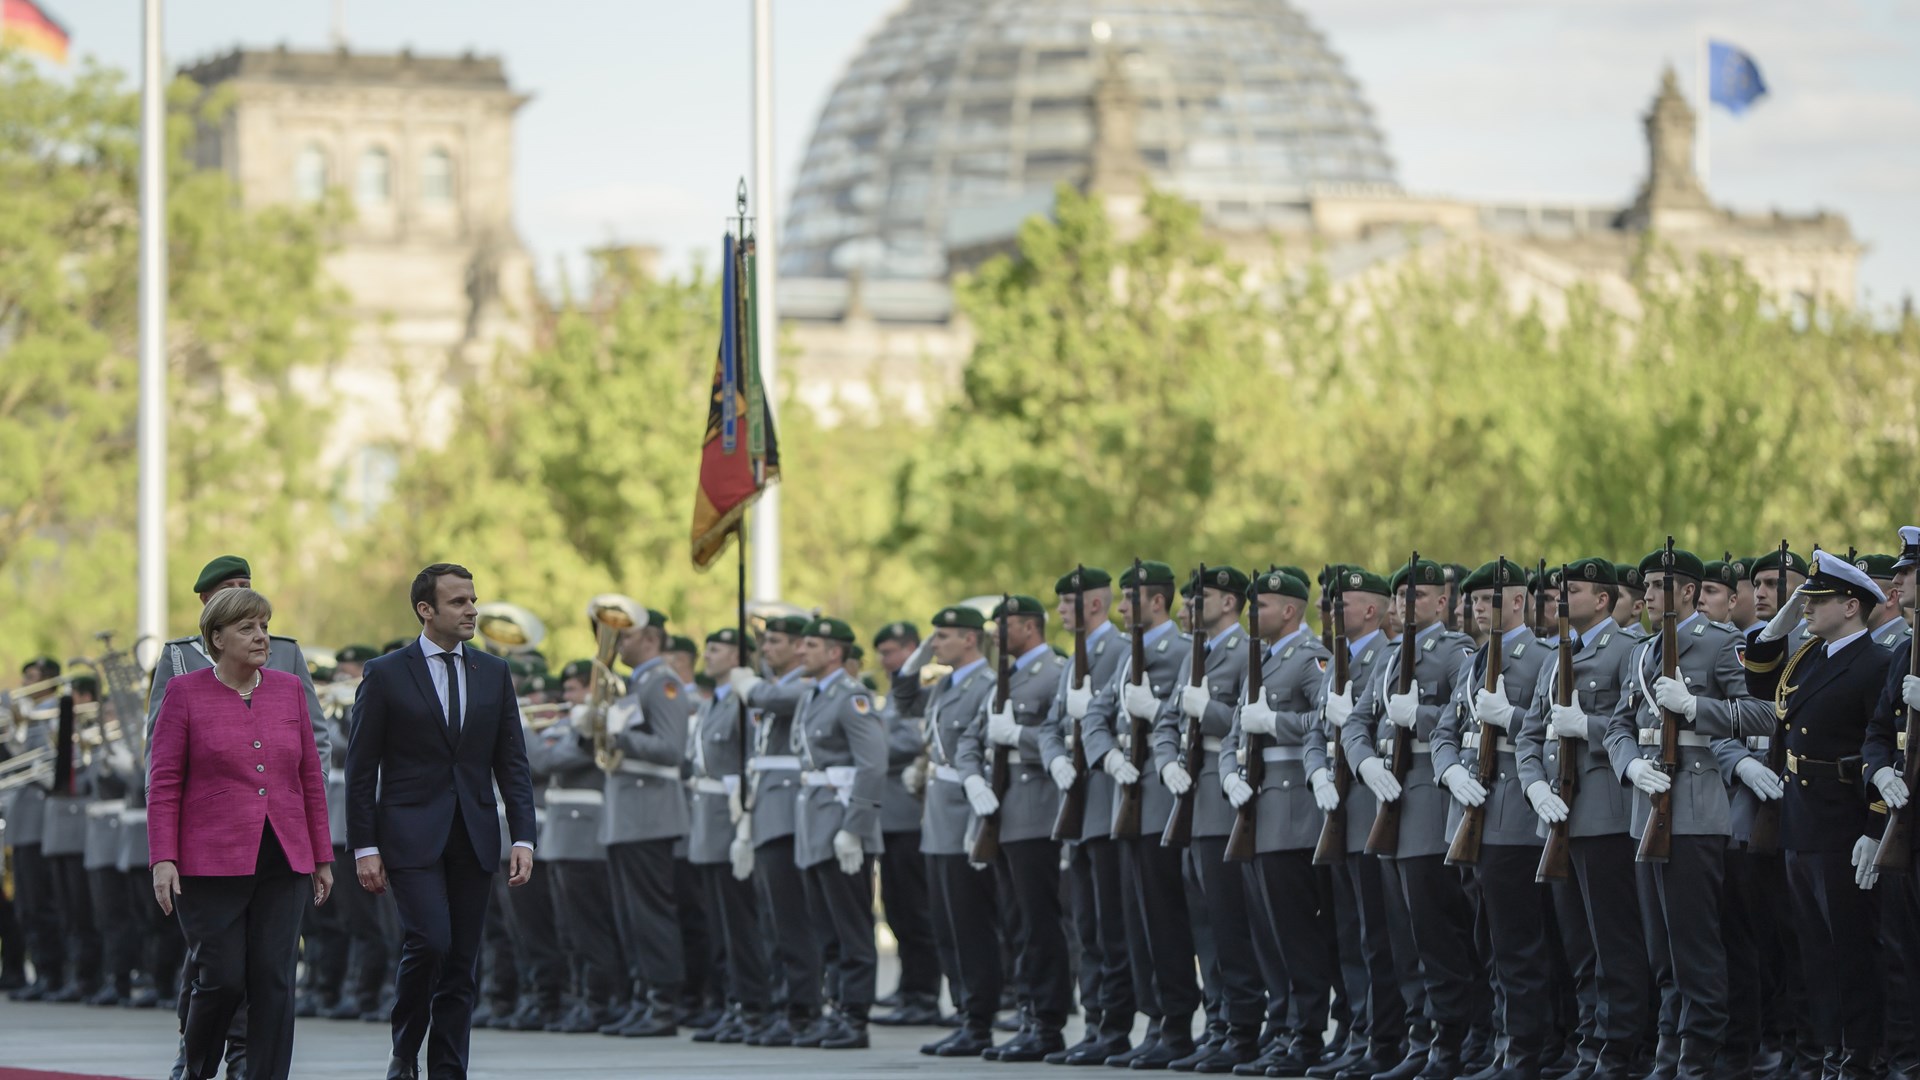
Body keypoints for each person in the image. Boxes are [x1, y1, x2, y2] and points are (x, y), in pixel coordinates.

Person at [345, 563, 537, 1080]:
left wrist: (523, 835)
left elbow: (511, 762)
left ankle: (449, 1071)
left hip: (474, 835)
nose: (471, 609)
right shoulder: (385, 673)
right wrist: (363, 846)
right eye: (458, 602)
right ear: (425, 610)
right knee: (430, 942)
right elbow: (360, 769)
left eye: (473, 599)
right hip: (408, 837)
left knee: (461, 965)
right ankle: (405, 1048)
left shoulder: (493, 672)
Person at [147, 588, 334, 1080]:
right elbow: (163, 781)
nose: (261, 637)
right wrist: (163, 858)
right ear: (217, 637)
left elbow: (310, 777)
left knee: (274, 982)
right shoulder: (184, 693)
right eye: (248, 628)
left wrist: (321, 855)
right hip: (208, 863)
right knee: (222, 980)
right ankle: (197, 1067)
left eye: (265, 626)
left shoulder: (288, 689)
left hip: (284, 857)